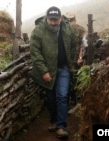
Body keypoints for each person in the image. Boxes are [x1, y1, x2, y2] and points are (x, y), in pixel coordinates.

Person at [29, 6, 77, 139]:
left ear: (61, 19)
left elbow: (74, 44)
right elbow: (35, 52)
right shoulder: (38, 30)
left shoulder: (68, 29)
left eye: (56, 20)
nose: (53, 23)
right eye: (51, 20)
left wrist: (70, 61)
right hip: (48, 70)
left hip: (63, 68)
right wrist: (44, 71)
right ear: (46, 18)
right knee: (50, 97)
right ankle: (54, 121)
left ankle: (61, 126)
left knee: (62, 95)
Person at [65, 12, 87, 106]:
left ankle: (77, 98)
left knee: (76, 77)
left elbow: (83, 44)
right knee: (68, 78)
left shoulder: (81, 29)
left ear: (74, 19)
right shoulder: (64, 30)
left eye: (72, 20)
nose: (71, 22)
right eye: (69, 21)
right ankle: (72, 98)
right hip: (66, 59)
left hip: (76, 58)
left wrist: (80, 57)